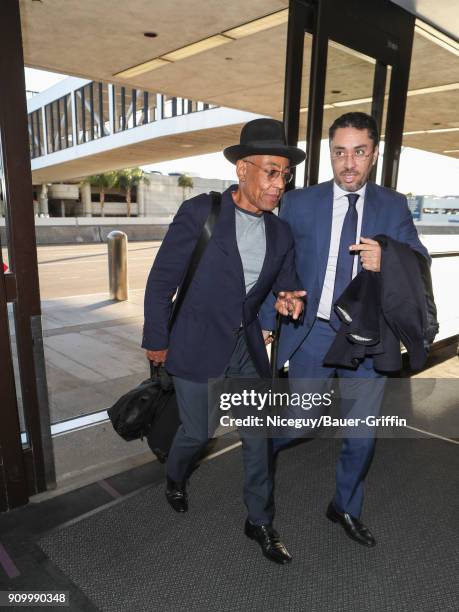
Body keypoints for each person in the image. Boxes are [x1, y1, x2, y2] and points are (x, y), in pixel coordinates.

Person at [260, 112, 429, 548]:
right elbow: (275, 263)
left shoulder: (392, 205)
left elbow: (420, 259)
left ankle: (345, 507)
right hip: (312, 332)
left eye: (358, 152)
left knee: (361, 433)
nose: (348, 163)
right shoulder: (299, 203)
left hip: (365, 338)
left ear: (374, 153)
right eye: (339, 152)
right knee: (300, 421)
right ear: (329, 154)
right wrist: (271, 316)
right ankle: (257, 455)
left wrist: (387, 258)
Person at [142, 118, 305, 564]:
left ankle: (260, 521)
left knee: (259, 437)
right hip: (195, 343)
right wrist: (157, 339)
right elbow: (162, 281)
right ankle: (175, 476)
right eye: (271, 172)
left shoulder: (281, 232)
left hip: (248, 347)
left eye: (284, 174)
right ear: (243, 170)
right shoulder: (202, 212)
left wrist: (287, 303)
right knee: (198, 431)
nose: (279, 184)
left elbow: (284, 285)